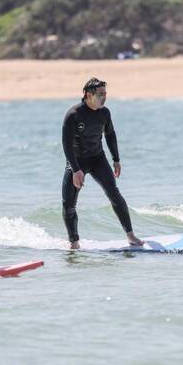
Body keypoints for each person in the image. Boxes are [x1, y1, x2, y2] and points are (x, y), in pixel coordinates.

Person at [62, 77, 143, 249]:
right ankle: (74, 243)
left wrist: (116, 159)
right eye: (100, 94)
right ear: (88, 95)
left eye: (105, 94)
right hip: (76, 162)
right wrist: (76, 170)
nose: (104, 97)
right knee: (69, 203)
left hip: (98, 158)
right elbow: (66, 145)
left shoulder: (104, 113)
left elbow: (110, 135)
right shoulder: (73, 115)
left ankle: (131, 235)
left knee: (114, 194)